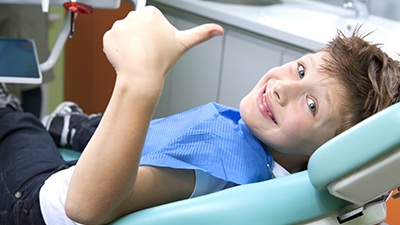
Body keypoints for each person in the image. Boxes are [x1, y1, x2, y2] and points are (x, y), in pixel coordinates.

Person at [1, 6, 399, 225]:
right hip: (93, 171)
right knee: (136, 129)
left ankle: (40, 117)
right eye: (300, 69)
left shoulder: (215, 170)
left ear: (323, 151)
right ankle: (80, 127)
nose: (283, 86)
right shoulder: (266, 163)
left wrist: (140, 81)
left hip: (38, 200)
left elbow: (85, 207)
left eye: (312, 105)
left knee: (19, 125)